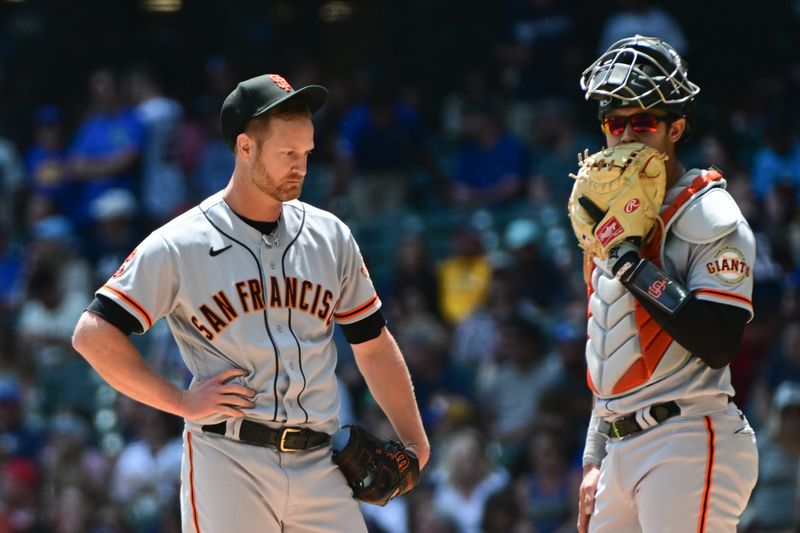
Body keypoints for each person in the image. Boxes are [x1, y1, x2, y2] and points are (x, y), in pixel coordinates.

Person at [71, 73, 430, 533]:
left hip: (321, 462)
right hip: (228, 459)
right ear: (245, 148)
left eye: (306, 153)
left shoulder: (330, 236)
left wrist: (416, 442)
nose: (301, 166)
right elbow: (93, 334)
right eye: (287, 154)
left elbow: (373, 344)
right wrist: (180, 401)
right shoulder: (180, 243)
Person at [574, 36, 758, 532]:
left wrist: (634, 266)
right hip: (619, 448)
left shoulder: (710, 213)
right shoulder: (603, 219)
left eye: (644, 122)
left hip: (688, 437)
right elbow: (611, 350)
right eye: (617, 123)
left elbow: (720, 341)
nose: (628, 135)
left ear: (675, 128)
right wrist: (594, 456)